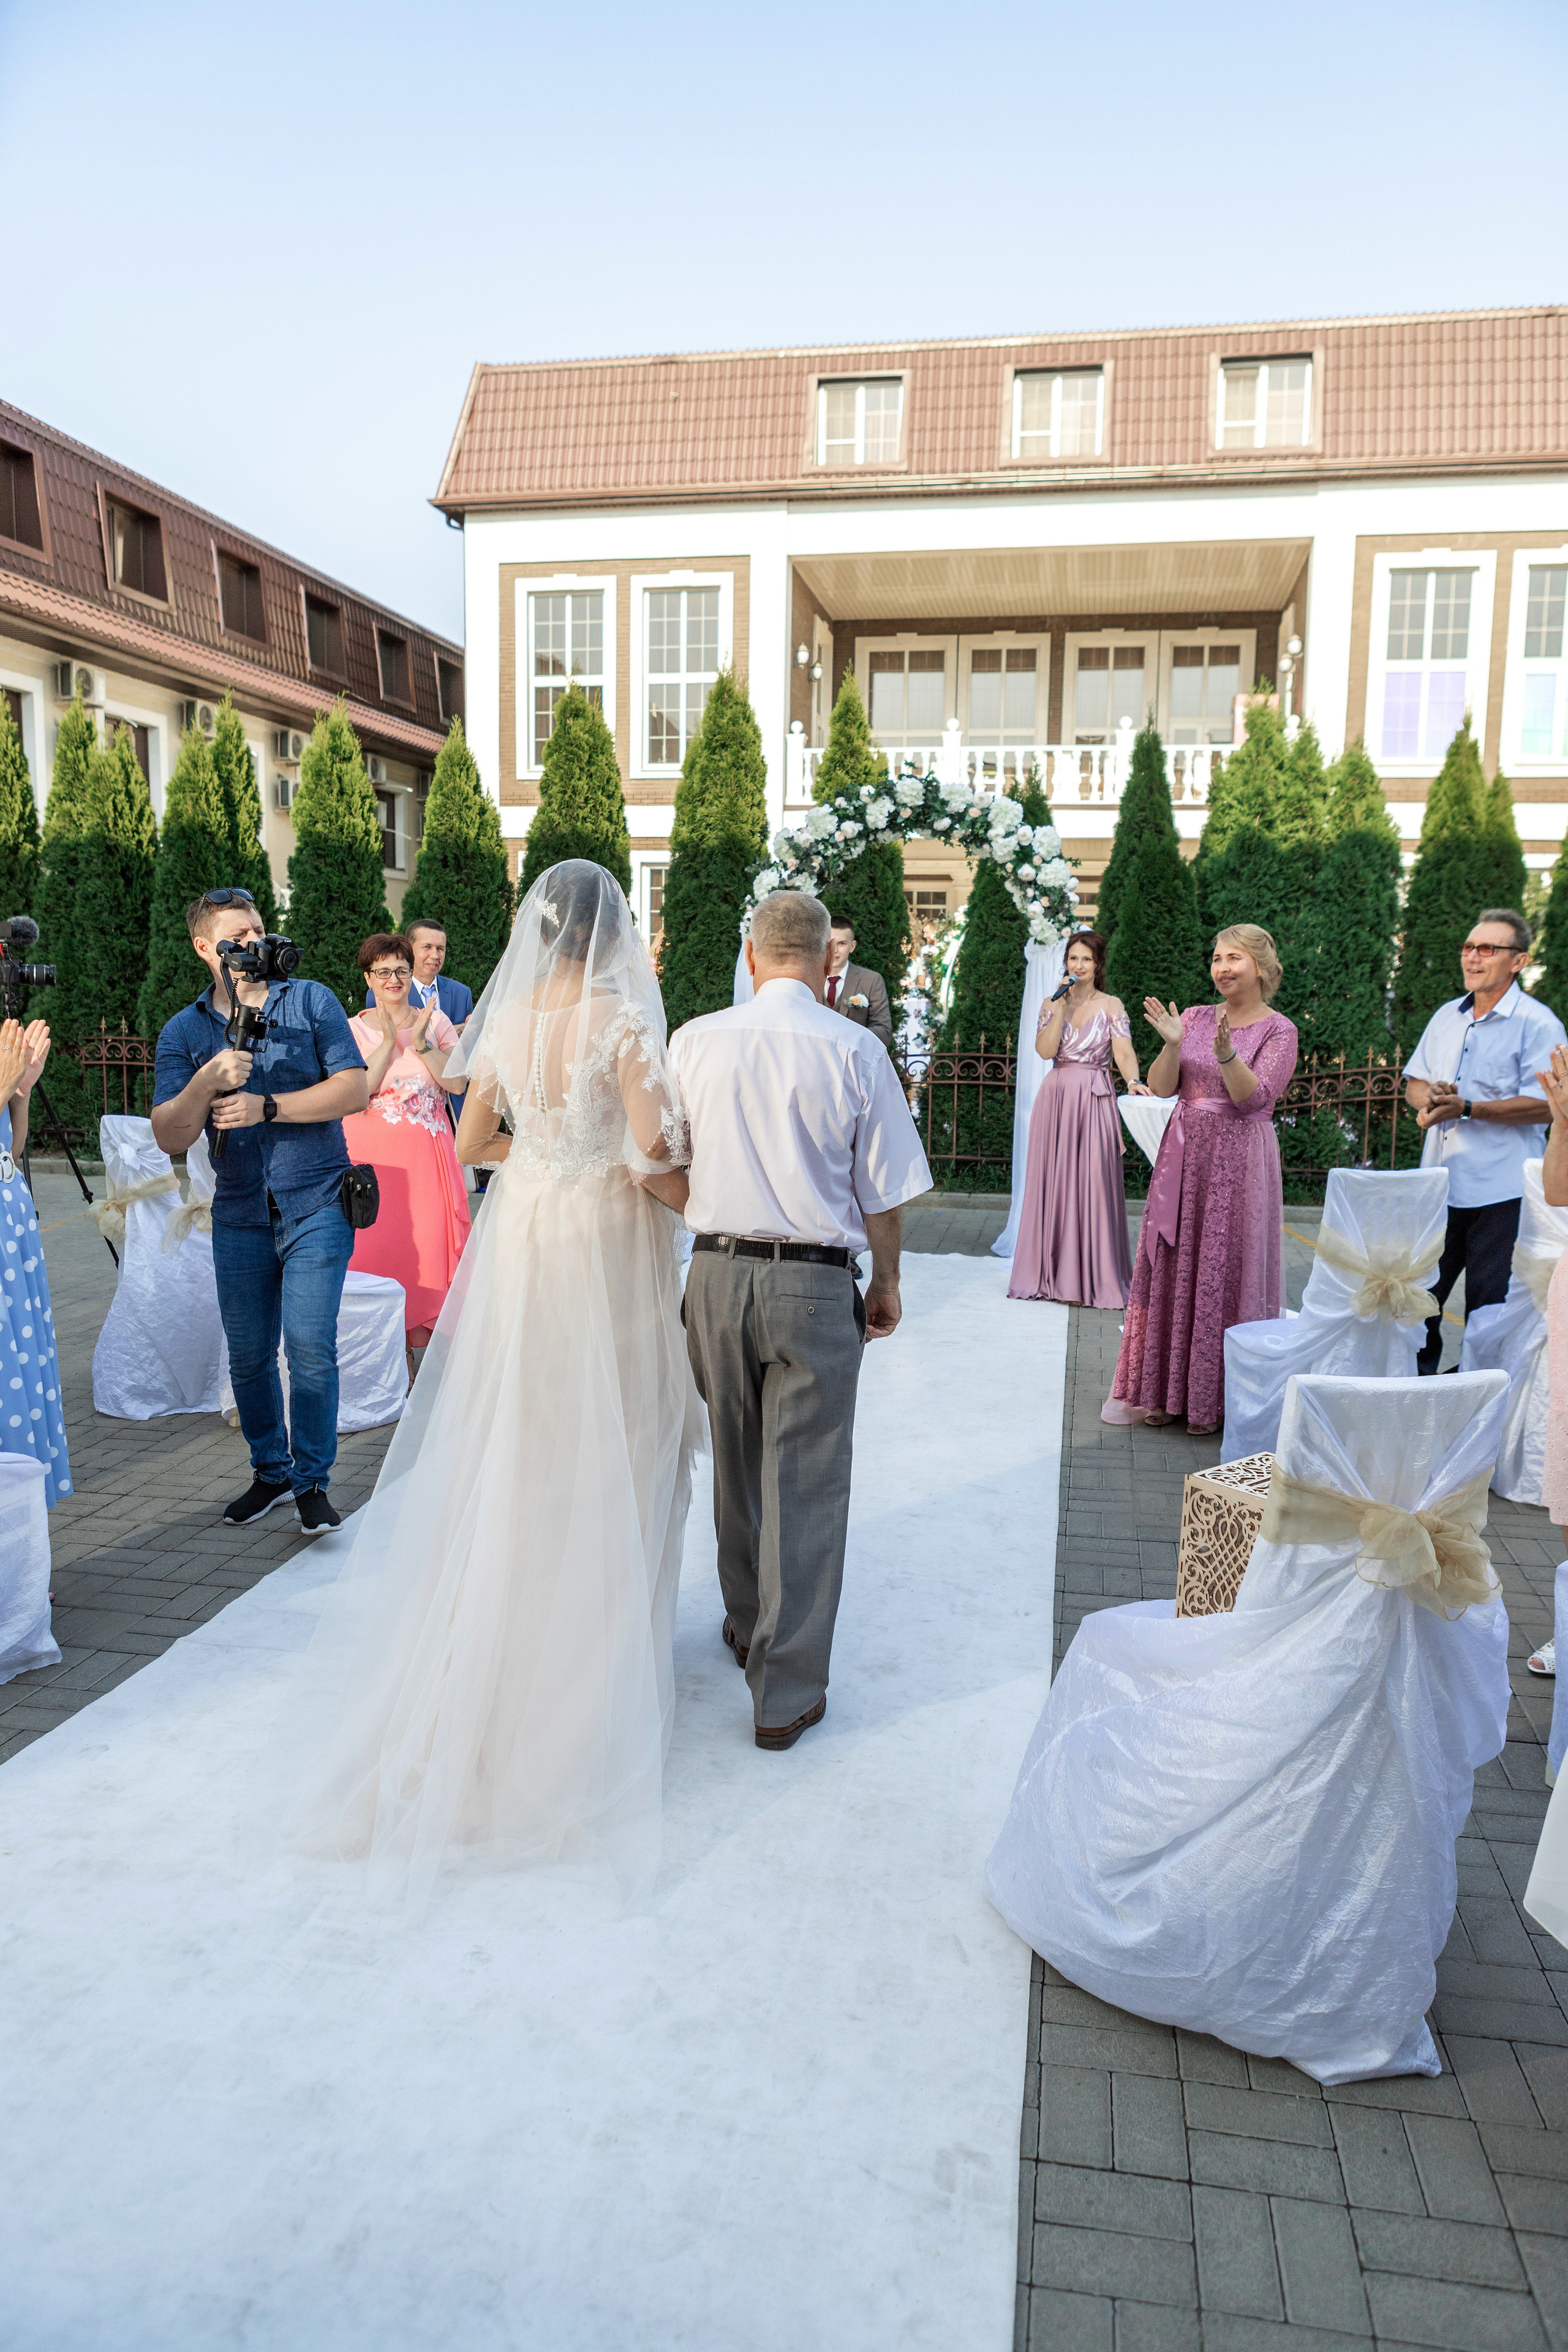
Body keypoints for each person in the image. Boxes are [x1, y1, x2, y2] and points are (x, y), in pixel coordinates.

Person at [290, 862, 698, 1902]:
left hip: (528, 1233)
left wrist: (551, 1155)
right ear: (610, 933)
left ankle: (499, 1662)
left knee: (523, 1443)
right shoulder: (621, 1020)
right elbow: (656, 1155)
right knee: (616, 1442)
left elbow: (476, 1140)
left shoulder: (506, 1020)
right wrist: (629, 1160)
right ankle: (586, 1690)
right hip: (605, 1239)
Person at [670, 889, 932, 1752]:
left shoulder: (694, 1039)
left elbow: (655, 1159)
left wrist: (714, 1212)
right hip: (815, 1282)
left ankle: (748, 1624)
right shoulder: (856, 1047)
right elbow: (884, 1189)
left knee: (736, 1462)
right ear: (829, 964)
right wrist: (886, 1281)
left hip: (713, 1272)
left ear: (751, 956)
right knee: (807, 1480)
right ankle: (782, 1693)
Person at [151, 888, 369, 1533]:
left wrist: (269, 1107)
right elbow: (169, 1134)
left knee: (309, 1348)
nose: (254, 942)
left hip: (318, 1199)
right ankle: (269, 1471)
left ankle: (311, 1483)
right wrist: (207, 1080)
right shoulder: (185, 1030)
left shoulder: (310, 999)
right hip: (240, 1210)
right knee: (247, 1356)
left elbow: (354, 1087)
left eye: (259, 929)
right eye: (237, 935)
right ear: (203, 947)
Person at [1108, 924, 1298, 1437]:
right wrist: (1172, 1046)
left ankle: (1211, 1399)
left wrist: (1227, 1055)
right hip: (1186, 1154)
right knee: (1171, 1261)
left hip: (1239, 1161)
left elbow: (1255, 1100)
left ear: (1260, 967)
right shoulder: (1192, 1017)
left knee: (1224, 1266)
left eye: (1234, 958)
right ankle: (1163, 1392)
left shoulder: (1279, 1030)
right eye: (1216, 958)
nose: (1222, 968)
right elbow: (1164, 1086)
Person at [1404, 908, 1566, 1377]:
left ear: (1519, 962)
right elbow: (1414, 1080)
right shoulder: (1446, 1016)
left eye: (1488, 949)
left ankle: (1478, 1406)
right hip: (1439, 1185)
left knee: (1488, 1309)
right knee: (1419, 1300)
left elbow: (1546, 1104)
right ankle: (1417, 1391)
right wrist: (1430, 1097)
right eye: (1469, 948)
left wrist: (1470, 1107)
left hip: (1504, 1191)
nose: (1473, 957)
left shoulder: (1539, 1024)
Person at [342, 933, 472, 1370]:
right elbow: (359, 1092)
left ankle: (434, 1363)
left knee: (429, 1250)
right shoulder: (352, 1028)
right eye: (383, 971)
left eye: (401, 969)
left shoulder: (436, 1023)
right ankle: (392, 1362)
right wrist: (384, 1043)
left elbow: (456, 1084)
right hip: (371, 1163)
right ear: (369, 978)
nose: (394, 979)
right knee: (376, 1254)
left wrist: (422, 1043)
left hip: (426, 1162)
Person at [1008, 928, 1148, 1309]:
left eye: (1087, 959)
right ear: (1065, 963)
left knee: (1095, 1182)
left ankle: (1095, 1276)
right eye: (1074, 958)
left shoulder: (1112, 1005)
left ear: (1098, 964)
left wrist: (1134, 1080)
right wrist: (1059, 1007)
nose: (1080, 965)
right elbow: (1045, 1050)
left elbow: (1123, 1051)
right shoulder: (1053, 1002)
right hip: (1056, 1096)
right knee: (1052, 1182)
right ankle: (1049, 1274)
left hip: (1094, 1097)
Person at [0, 1015, 71, 1505]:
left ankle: (17, 1543)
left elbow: (11, 1148)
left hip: (12, 1231)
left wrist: (20, 1091)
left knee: (18, 1376)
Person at [823, 914, 893, 1055]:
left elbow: (884, 1031)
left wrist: (849, 1040)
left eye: (842, 943)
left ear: (852, 946)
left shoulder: (871, 980)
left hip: (856, 1066)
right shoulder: (807, 979)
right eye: (830, 943)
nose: (835, 950)